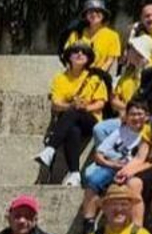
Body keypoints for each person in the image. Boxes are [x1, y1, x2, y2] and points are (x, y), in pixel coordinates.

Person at [36, 42, 109, 186]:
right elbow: (56, 104)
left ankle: (50, 148)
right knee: (73, 131)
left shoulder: (94, 78)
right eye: (75, 51)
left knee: (75, 110)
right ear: (68, 57)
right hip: (70, 119)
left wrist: (84, 107)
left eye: (84, 52)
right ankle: (75, 173)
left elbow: (101, 103)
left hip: (91, 119)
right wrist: (71, 106)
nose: (80, 54)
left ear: (88, 58)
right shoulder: (60, 78)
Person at [80, 99, 151, 223]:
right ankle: (88, 222)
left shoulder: (149, 133)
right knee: (93, 180)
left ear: (146, 116)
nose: (136, 118)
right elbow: (98, 154)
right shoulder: (120, 131)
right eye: (133, 114)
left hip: (133, 170)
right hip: (112, 167)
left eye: (140, 114)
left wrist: (126, 169)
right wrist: (112, 164)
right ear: (127, 116)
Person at [65, 0, 122, 73]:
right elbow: (68, 55)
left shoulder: (113, 36)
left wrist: (97, 76)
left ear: (104, 15)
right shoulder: (75, 34)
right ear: (85, 15)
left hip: (98, 76)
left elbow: (109, 60)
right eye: (90, 11)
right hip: (75, 76)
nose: (94, 14)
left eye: (98, 11)